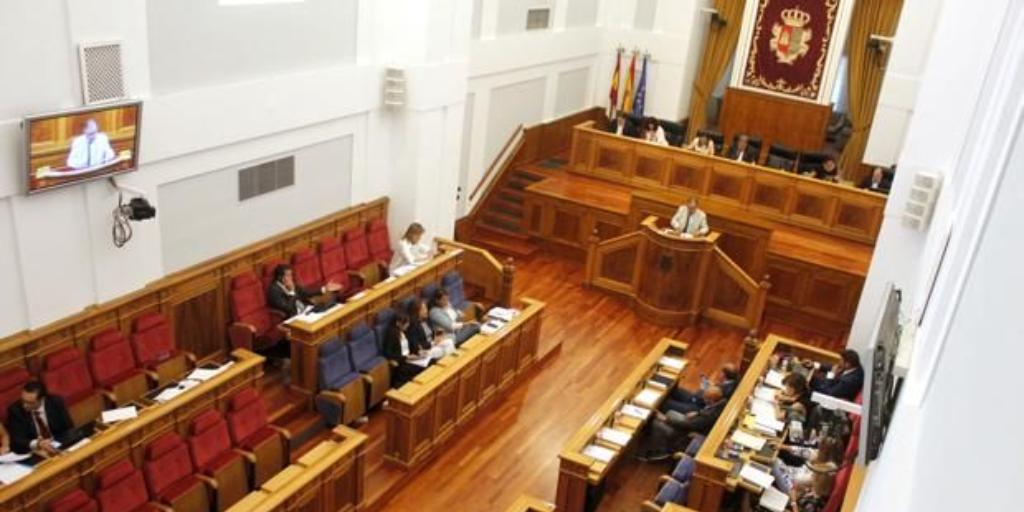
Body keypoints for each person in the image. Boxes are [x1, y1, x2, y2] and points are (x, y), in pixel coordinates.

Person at [641, 386, 726, 461]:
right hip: (692, 425)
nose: (703, 399)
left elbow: (685, 426)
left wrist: (665, 419)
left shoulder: (707, 417)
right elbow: (708, 409)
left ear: (711, 400)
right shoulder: (721, 403)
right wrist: (698, 412)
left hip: (686, 434)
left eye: (705, 398)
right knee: (671, 412)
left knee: (656, 423)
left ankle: (660, 451)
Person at [6, 381, 80, 455]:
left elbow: (68, 428)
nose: (25, 405)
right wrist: (38, 443)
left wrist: (55, 445)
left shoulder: (55, 402)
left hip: (59, 444)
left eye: (30, 403)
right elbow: (17, 440)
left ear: (42, 399)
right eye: (23, 401)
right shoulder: (15, 410)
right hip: (36, 452)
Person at [266, 264, 341, 317]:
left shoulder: (291, 283)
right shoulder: (274, 290)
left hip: (306, 309)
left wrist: (324, 288)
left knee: (332, 305)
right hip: (295, 316)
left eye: (291, 275)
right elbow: (288, 308)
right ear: (280, 277)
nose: (291, 277)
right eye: (288, 275)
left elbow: (306, 293)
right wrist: (292, 291)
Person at [661, 363, 738, 414]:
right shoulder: (730, 384)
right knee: (674, 389)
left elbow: (711, 400)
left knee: (665, 403)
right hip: (697, 399)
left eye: (721, 372)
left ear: (724, 375)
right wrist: (710, 385)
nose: (719, 374)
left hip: (697, 407)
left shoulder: (725, 390)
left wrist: (705, 389)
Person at [382, 311, 431, 387]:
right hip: (402, 363)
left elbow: (409, 347)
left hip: (410, 359)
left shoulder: (404, 332)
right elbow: (389, 354)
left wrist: (418, 352)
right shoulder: (392, 334)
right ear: (398, 323)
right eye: (405, 323)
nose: (408, 325)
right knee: (423, 369)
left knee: (430, 361)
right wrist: (406, 357)